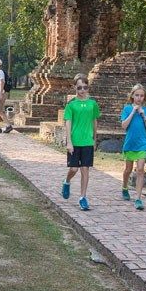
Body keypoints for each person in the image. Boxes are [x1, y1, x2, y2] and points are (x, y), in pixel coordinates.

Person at [61, 75, 100, 210]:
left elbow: (94, 121)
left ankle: (83, 197)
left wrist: (94, 139)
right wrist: (69, 142)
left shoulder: (92, 104)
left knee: (85, 169)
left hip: (87, 141)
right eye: (79, 87)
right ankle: (67, 181)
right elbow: (68, 123)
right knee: (74, 169)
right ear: (75, 88)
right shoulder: (71, 105)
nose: (82, 90)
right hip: (75, 141)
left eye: (85, 87)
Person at [119, 84, 146, 210]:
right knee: (128, 169)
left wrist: (143, 115)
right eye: (137, 95)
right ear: (132, 96)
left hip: (142, 144)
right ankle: (124, 187)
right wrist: (133, 111)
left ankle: (138, 198)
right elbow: (124, 126)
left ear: (144, 98)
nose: (139, 98)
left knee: (140, 169)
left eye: (141, 95)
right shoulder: (127, 109)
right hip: (130, 143)